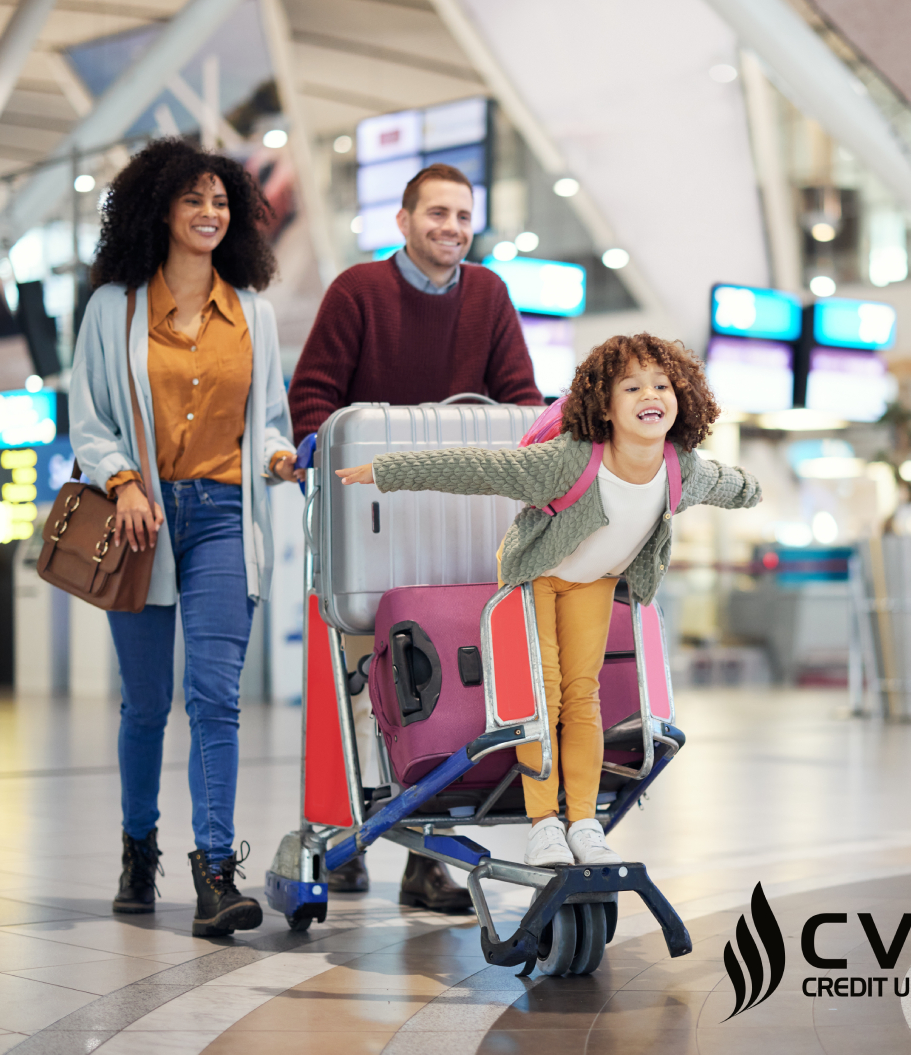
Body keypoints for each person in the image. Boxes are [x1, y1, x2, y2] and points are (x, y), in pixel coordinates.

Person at [336, 333, 761, 866]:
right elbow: (477, 469)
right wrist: (385, 471)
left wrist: (754, 491)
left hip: (594, 581)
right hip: (537, 576)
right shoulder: (569, 460)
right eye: (631, 387)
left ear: (682, 398)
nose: (650, 394)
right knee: (542, 694)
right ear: (604, 406)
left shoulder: (682, 469)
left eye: (661, 385)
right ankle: (544, 826)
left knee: (584, 696)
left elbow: (729, 483)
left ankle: (583, 821)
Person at [288, 162, 542, 909]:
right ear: (403, 222)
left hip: (455, 524)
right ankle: (340, 830)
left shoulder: (489, 295)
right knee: (361, 690)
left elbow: (521, 400)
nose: (452, 229)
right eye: (437, 214)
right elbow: (312, 397)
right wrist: (312, 444)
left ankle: (421, 856)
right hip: (367, 524)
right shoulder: (357, 293)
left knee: (436, 689)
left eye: (463, 217)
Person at [70, 138, 298, 937]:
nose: (209, 213)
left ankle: (214, 875)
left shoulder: (255, 314)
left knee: (216, 699)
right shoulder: (114, 307)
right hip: (140, 520)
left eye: (221, 201)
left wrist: (278, 454)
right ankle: (139, 849)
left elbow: (270, 416)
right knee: (145, 705)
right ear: (159, 209)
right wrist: (123, 482)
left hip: (226, 518)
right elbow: (90, 420)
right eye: (194, 199)